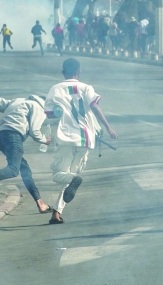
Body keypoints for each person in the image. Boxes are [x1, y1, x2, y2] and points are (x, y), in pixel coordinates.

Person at [44, 58, 118, 225]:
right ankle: (56, 212)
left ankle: (58, 209)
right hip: (85, 138)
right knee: (71, 177)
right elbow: (95, 107)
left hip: (64, 137)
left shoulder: (55, 89)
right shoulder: (86, 88)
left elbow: (49, 114)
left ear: (63, 72)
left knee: (60, 175)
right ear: (79, 72)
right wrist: (108, 128)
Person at [0, 90, 52, 214]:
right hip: (14, 137)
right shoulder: (39, 108)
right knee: (13, 169)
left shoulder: (18, 101)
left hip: (0, 137)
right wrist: (45, 140)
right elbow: (34, 131)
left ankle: (40, 203)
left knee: (25, 170)